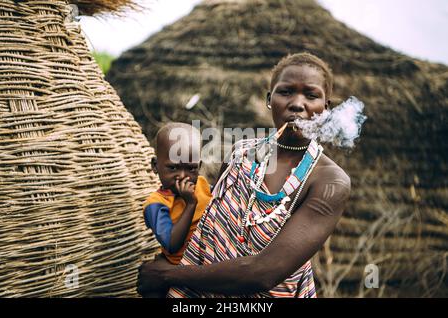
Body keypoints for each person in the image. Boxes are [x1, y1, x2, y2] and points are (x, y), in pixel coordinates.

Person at [137, 53, 351, 298]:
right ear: (270, 99)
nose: (297, 103)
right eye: (286, 92)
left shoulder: (329, 182)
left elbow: (263, 273)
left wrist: (167, 275)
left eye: (311, 95)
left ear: (325, 108)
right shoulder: (241, 153)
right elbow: (209, 228)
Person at [143, 122, 212, 266]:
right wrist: (190, 204)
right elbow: (172, 244)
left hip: (213, 258)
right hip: (181, 266)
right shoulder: (156, 204)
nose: (182, 176)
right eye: (173, 167)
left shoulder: (202, 185)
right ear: (155, 166)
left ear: (199, 167)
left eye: (191, 169)